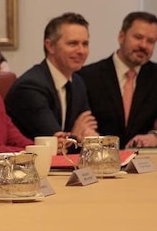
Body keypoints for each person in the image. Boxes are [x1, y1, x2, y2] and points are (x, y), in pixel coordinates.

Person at [78, 12, 157, 148]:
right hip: (99, 159)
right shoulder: (87, 76)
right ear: (121, 37)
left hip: (145, 162)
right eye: (138, 37)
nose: (143, 45)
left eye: (150, 41)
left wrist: (156, 137)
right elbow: (81, 124)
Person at [5, 12, 98, 144]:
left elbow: (87, 129)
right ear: (50, 46)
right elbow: (55, 142)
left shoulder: (77, 82)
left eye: (85, 44)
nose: (81, 51)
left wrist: (82, 136)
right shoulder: (30, 87)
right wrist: (75, 136)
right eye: (73, 44)